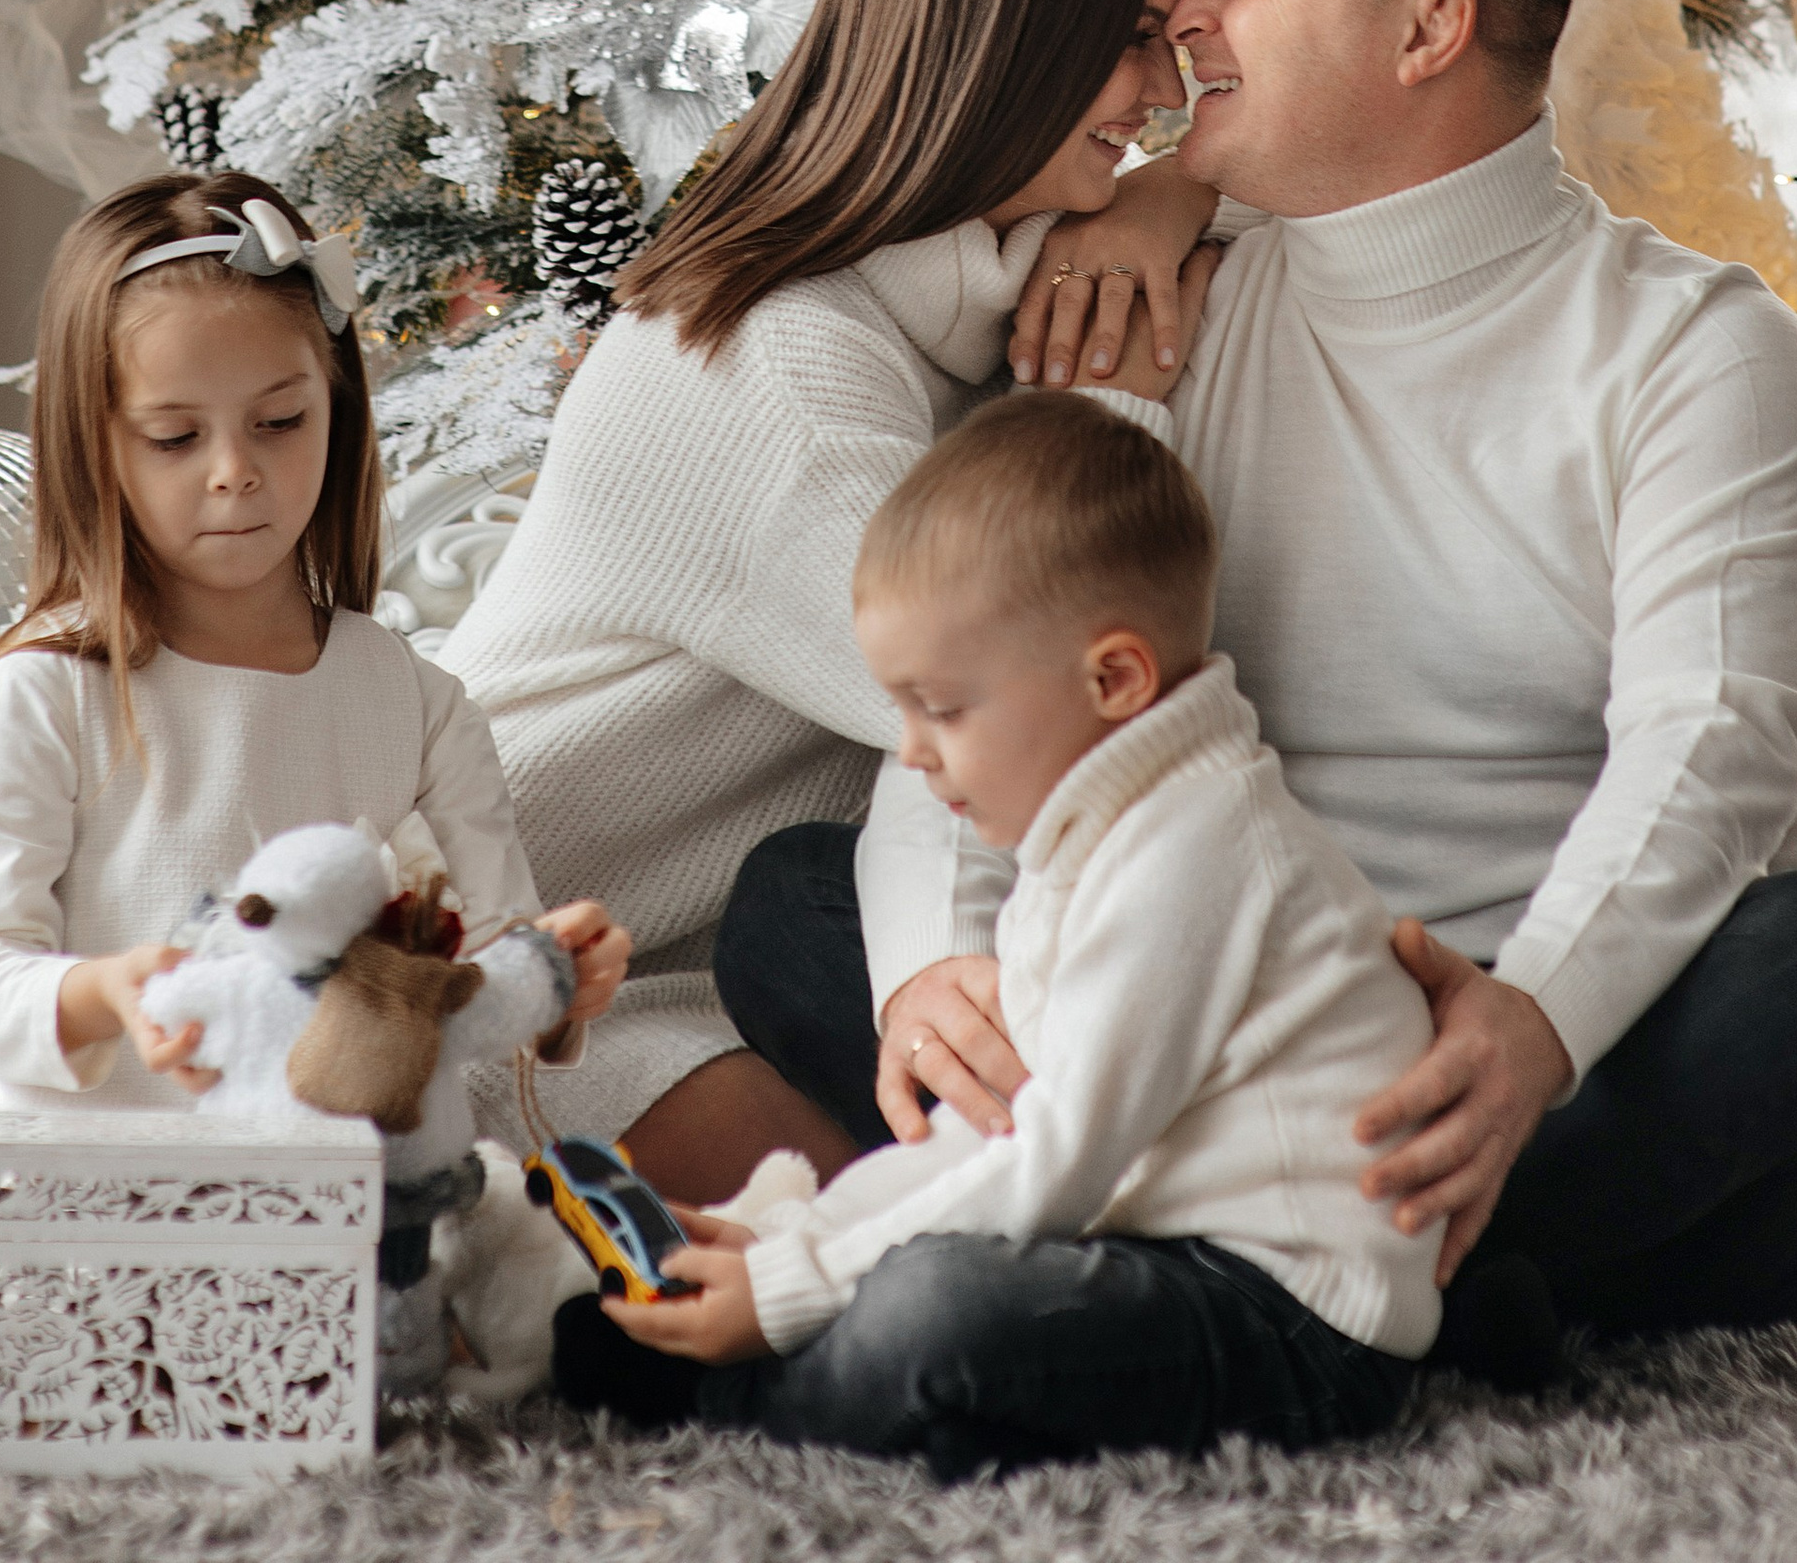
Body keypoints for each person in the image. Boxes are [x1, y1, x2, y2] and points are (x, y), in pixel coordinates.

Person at [719, 0, 1797, 1362]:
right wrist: (941, 964)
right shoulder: (1162, 305)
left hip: (1546, 1055)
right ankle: (1404, 1292)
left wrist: (1533, 1024)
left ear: (1429, 26)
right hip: (1215, 1021)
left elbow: (1714, 753)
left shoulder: (1697, 353)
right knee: (804, 905)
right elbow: (1000, 653)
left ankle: (1277, 1264)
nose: (1181, 20)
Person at [441, 0, 1199, 1201]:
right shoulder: (772, 373)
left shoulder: (962, 293)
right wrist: (1108, 379)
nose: (1165, 94)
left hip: (697, 960)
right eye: (1133, 39)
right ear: (1009, 30)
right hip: (495, 1004)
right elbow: (1060, 706)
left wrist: (1180, 188)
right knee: (936, 1215)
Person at [553, 393, 1439, 1479]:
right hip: (1156, 1241)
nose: (912, 753)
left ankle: (732, 1396)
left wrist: (791, 1295)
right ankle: (962, 1423)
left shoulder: (1196, 853)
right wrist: (799, 1243)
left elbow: (1055, 1159)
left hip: (1295, 1321)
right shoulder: (1094, 833)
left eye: (943, 709)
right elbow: (988, 1126)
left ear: (1113, 679)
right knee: (922, 1290)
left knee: (933, 1307)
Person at [0, 171, 627, 1115]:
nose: (235, 471)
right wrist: (103, 991)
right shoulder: (48, 689)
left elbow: (496, 971)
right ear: (95, 443)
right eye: (175, 436)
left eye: (280, 422)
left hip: (323, 1184)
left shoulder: (412, 700)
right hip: (80, 1179)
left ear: (336, 406)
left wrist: (560, 980)